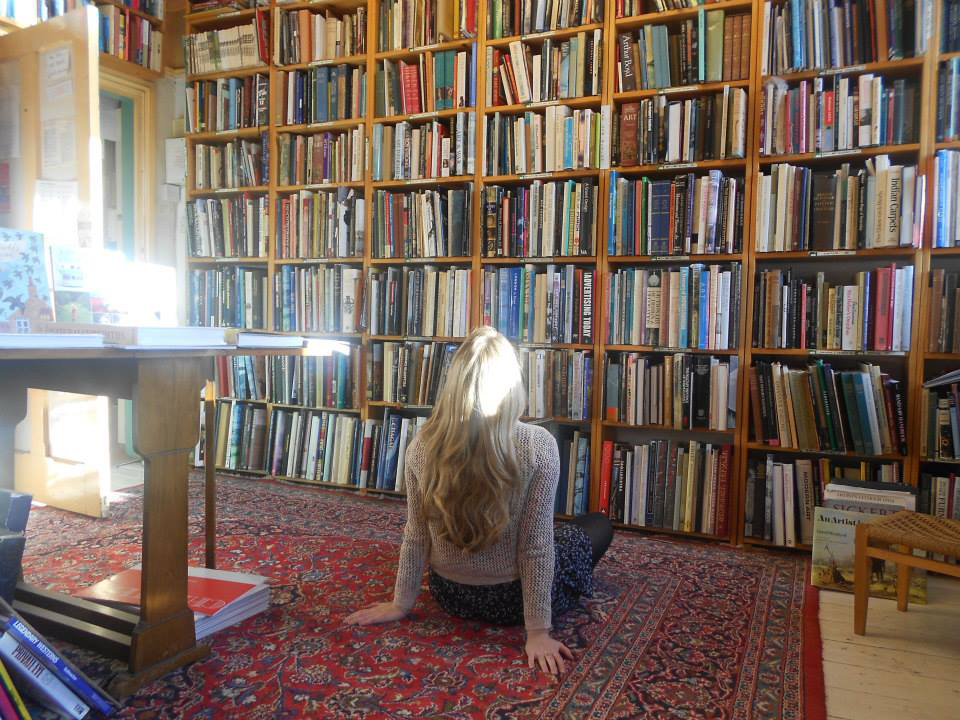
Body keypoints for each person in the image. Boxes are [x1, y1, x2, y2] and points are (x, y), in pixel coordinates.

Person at [345, 326, 613, 675]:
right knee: (595, 525)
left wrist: (401, 604)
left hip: (450, 594)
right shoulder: (538, 445)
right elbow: (536, 546)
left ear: (455, 384)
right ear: (512, 385)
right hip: (512, 601)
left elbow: (416, 534)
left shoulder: (422, 444)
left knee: (559, 536)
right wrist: (537, 633)